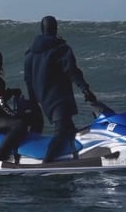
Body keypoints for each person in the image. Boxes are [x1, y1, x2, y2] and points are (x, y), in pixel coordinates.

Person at [24, 16, 97, 163]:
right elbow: (72, 71)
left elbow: (28, 79)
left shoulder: (30, 53)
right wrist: (85, 89)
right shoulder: (60, 49)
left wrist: (33, 101)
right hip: (59, 98)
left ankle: (73, 160)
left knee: (69, 130)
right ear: (56, 28)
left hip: (43, 99)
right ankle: (47, 163)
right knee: (62, 132)